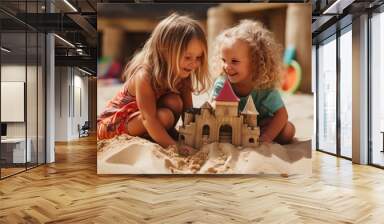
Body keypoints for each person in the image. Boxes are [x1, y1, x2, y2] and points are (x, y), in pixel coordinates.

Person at [98, 13, 210, 154]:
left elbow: (188, 112)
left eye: (198, 57)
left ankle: (160, 135)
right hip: (111, 125)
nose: (194, 63)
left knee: (175, 102)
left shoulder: (183, 74)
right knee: (164, 116)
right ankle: (162, 137)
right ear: (165, 52)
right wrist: (175, 146)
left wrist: (195, 137)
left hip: (141, 121)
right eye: (188, 57)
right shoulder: (144, 75)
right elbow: (148, 118)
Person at [210, 20, 295, 144]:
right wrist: (214, 106)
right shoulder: (222, 83)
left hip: (262, 126)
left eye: (234, 61)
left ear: (255, 63)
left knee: (288, 131)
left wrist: (267, 137)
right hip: (233, 127)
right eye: (224, 60)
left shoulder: (264, 88)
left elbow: (282, 115)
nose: (227, 66)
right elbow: (212, 107)